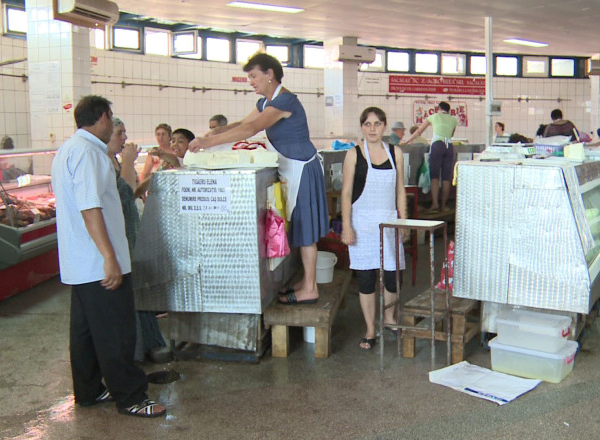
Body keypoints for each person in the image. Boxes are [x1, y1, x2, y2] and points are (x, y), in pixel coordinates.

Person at [50, 95, 166, 418]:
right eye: (111, 118)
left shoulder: (68, 149)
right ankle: (131, 396)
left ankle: (89, 390)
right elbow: (90, 208)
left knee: (85, 332)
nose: (113, 125)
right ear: (102, 118)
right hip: (98, 262)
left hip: (80, 262)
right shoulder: (89, 153)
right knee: (116, 331)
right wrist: (109, 257)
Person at [188, 53, 328, 305]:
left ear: (270, 74)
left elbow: (251, 129)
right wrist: (214, 133)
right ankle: (307, 281)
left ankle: (310, 288)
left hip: (302, 169)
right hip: (290, 169)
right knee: (298, 226)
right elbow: (243, 122)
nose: (251, 82)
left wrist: (208, 143)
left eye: (253, 76)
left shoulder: (285, 101)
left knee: (305, 230)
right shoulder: (266, 102)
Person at [341, 107, 406, 350]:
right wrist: (346, 226)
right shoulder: (354, 155)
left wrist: (403, 222)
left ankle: (389, 319)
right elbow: (346, 193)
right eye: (367, 124)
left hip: (389, 223)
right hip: (362, 224)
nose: (372, 129)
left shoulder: (395, 153)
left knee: (392, 276)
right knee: (366, 278)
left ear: (384, 126)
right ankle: (370, 329)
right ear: (361, 127)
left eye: (377, 124)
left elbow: (400, 190)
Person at [106, 117, 167, 363]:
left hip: (130, 225)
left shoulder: (115, 160)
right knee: (129, 289)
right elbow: (123, 193)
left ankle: (149, 339)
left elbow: (131, 191)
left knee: (139, 284)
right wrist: (129, 162)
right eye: (119, 133)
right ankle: (136, 348)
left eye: (125, 132)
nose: (124, 138)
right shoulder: (104, 161)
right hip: (118, 229)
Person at [401, 101, 458, 212]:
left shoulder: (434, 116)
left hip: (437, 145)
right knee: (446, 178)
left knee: (435, 176)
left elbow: (418, 132)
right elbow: (451, 135)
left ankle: (435, 204)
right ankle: (444, 206)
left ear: (439, 108)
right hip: (449, 147)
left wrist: (406, 141)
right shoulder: (453, 120)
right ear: (448, 110)